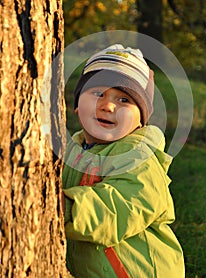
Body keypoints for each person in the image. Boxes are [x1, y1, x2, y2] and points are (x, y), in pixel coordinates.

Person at [62, 44, 185, 278]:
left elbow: (120, 208)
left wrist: (66, 209)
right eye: (98, 93)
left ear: (141, 121)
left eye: (124, 100)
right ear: (77, 106)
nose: (108, 106)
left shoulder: (139, 158)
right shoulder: (70, 151)